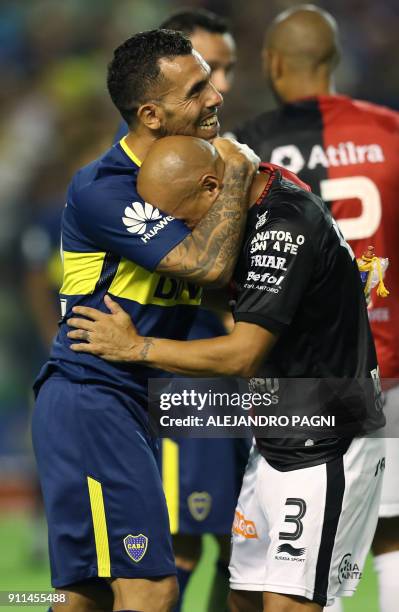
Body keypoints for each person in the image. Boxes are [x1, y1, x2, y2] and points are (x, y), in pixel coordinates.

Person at [67, 134, 386, 612]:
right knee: (244, 601)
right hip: (276, 430)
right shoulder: (249, 205)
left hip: (327, 436)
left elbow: (243, 355)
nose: (183, 238)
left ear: (214, 188)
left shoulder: (285, 224)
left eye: (181, 219)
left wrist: (137, 346)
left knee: (288, 604)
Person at [31, 30, 259, 612]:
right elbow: (202, 266)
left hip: (126, 400)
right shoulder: (106, 188)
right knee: (153, 588)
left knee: (86, 595)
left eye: (211, 79)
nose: (216, 97)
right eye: (197, 89)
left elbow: (212, 290)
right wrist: (235, 174)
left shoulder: (184, 176)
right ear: (152, 115)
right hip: (94, 395)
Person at [233, 6, 399, 612]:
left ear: (273, 62)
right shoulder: (391, 134)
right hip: (389, 362)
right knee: (385, 533)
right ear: (333, 61)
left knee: (296, 550)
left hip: (293, 373)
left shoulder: (249, 149)